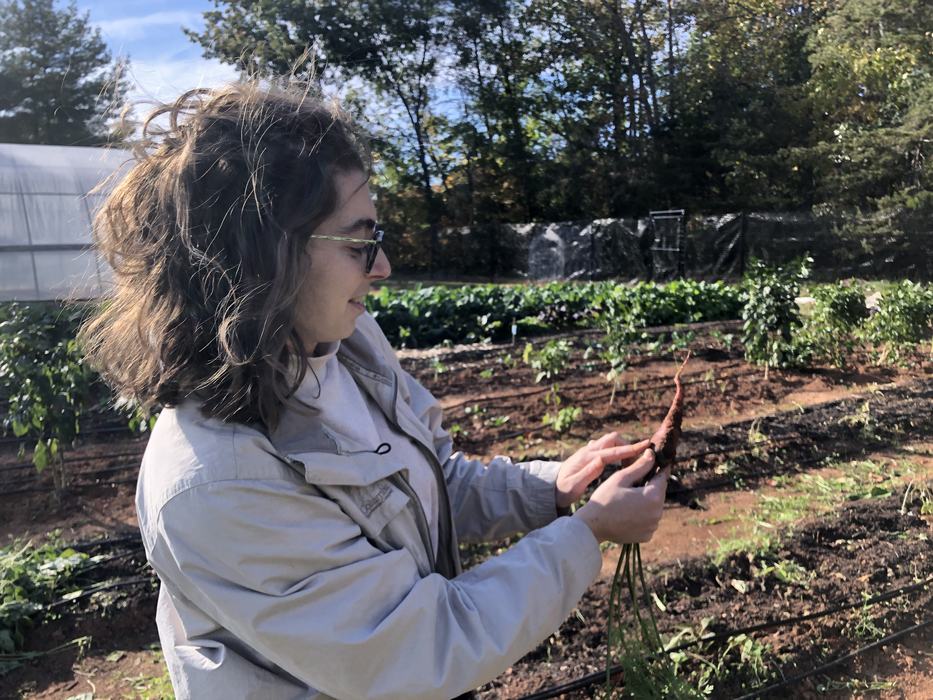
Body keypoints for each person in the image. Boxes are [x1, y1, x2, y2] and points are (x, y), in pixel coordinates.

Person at [81, 80, 669, 700]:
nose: (383, 267)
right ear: (267, 256)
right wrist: (588, 532)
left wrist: (550, 489)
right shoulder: (220, 480)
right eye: (360, 243)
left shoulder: (348, 348)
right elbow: (420, 648)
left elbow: (429, 481)